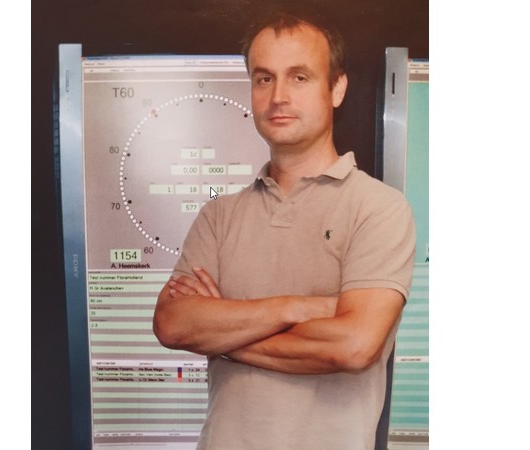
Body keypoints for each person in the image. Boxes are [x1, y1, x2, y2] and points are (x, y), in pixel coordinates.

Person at [153, 10, 415, 450]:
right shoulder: (218, 216)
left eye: (299, 77)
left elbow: (354, 346)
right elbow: (173, 324)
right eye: (264, 79)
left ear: (337, 88)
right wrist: (301, 307)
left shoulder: (379, 209)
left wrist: (224, 339)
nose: (278, 97)